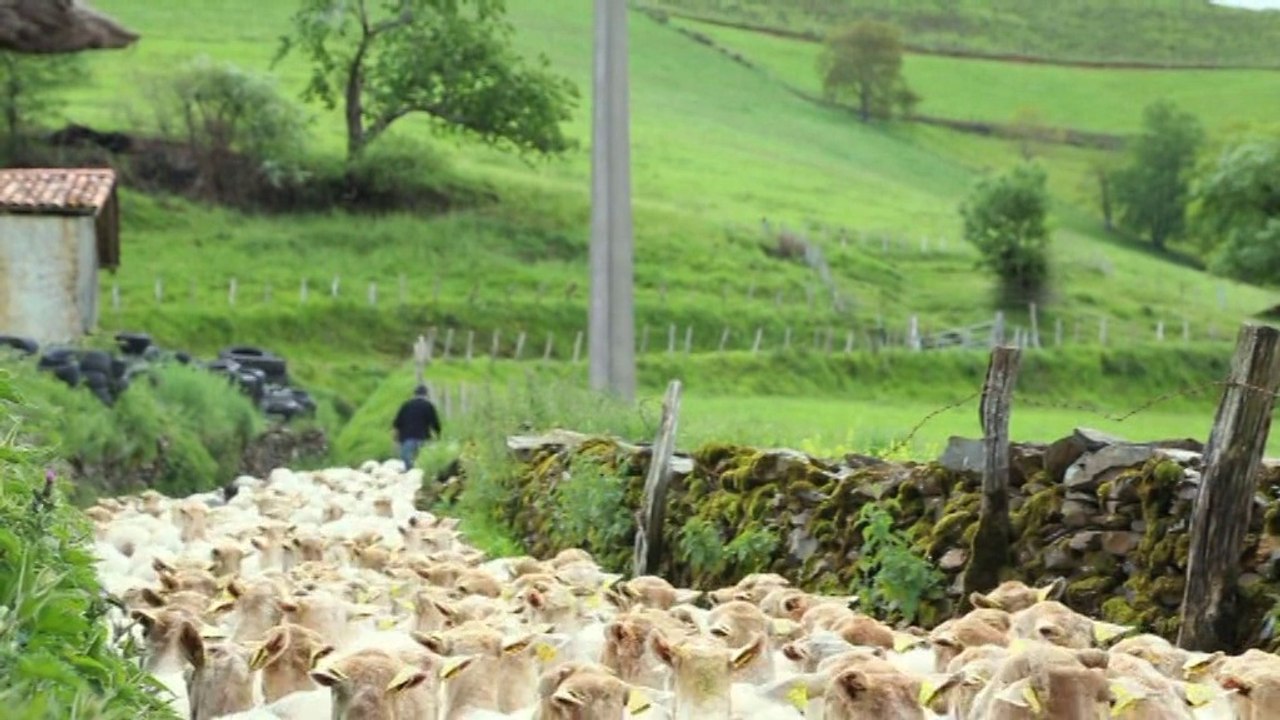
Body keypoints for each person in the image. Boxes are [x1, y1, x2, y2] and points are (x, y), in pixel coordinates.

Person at [392, 384, 441, 469]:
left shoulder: (406, 405)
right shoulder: (428, 406)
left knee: (407, 460)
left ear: (414, 394)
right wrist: (438, 435)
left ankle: (409, 473)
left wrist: (396, 439)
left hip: (407, 438)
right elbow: (435, 423)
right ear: (426, 394)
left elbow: (397, 423)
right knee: (421, 460)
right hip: (423, 437)